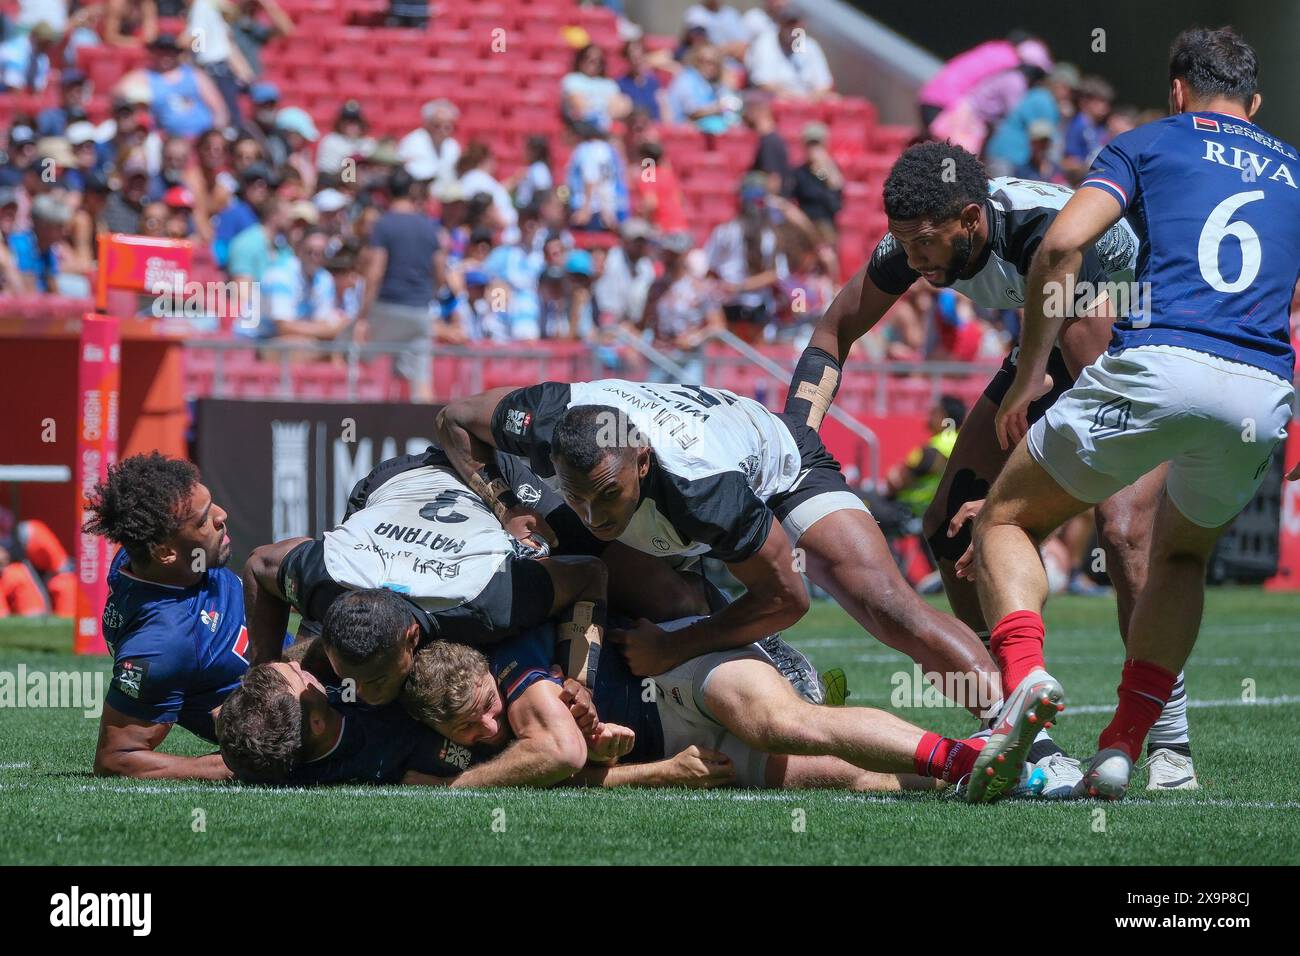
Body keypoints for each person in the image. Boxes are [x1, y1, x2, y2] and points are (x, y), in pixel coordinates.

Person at [974, 27, 1300, 800]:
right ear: (1254, 104)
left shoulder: (1148, 141)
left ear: (1179, 91)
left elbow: (1061, 245)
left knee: (1007, 520)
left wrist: (1027, 376)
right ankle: (1126, 745)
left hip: (1161, 363)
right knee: (1181, 558)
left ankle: (1024, 678)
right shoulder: (1295, 169)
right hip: (1257, 391)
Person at [433, 379, 1021, 761]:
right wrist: (506, 506)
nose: (593, 515)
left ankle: (1026, 735)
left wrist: (678, 648)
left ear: (641, 463)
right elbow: (454, 417)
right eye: (576, 494)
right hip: (671, 476)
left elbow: (790, 597)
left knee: (886, 604)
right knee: (632, 574)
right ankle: (770, 658)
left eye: (606, 496)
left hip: (776, 462)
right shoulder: (544, 422)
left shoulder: (702, 488)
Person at [404, 611, 1041, 798]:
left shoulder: (514, 661)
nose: (491, 726)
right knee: (849, 778)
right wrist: (657, 772)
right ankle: (1018, 778)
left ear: (493, 675)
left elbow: (559, 755)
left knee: (786, 724)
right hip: (688, 745)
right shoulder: (469, 738)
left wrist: (454, 786)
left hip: (684, 675)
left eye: (489, 706)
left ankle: (960, 756)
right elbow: (569, 776)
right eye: (471, 726)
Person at [81, 454, 251, 780]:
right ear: (165, 552)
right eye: (203, 519)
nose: (221, 515)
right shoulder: (163, 644)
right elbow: (116, 759)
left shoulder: (149, 557)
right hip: (305, 720)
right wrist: (224, 767)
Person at [217, 660, 487, 785]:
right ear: (317, 724)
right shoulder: (402, 735)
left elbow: (227, 762)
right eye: (300, 677)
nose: (300, 664)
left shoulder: (273, 753)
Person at [355, 168, 443, 400]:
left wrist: (363, 317)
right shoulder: (428, 226)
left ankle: (359, 425)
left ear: (386, 193)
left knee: (355, 357)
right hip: (419, 311)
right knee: (421, 380)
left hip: (387, 307)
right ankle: (426, 433)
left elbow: (375, 273)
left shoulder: (384, 225)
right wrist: (428, 294)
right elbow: (440, 272)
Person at [115, 33, 228, 138]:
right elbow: (117, 93)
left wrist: (215, 135)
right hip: (168, 139)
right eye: (161, 51)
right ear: (154, 53)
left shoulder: (195, 75)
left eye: (170, 51)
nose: (166, 56)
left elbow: (219, 109)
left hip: (202, 138)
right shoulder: (145, 76)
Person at [887, 397, 966, 521]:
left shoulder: (935, 448)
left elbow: (898, 481)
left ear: (946, 419)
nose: (929, 415)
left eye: (934, 412)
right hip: (940, 512)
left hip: (911, 509)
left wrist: (893, 475)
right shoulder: (960, 443)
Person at [744, 9, 832, 100]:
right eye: (789, 23)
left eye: (796, 23)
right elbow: (762, 83)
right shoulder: (765, 42)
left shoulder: (811, 46)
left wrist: (809, 100)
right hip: (774, 101)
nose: (793, 28)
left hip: (809, 102)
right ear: (780, 23)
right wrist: (795, 99)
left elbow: (824, 84)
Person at [666, 44, 741, 135]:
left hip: (702, 129)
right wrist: (719, 108)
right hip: (681, 131)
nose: (708, 66)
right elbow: (692, 112)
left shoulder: (710, 82)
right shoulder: (687, 79)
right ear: (695, 61)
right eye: (703, 61)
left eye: (713, 62)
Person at [561, 43, 631, 134]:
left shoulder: (609, 83)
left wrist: (594, 107)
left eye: (597, 60)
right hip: (581, 129)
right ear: (580, 59)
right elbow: (581, 108)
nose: (593, 62)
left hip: (607, 131)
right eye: (588, 58)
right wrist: (606, 108)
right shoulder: (572, 80)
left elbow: (623, 108)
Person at [397, 99, 461, 193]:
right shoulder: (413, 142)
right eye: (437, 125)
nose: (442, 130)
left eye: (447, 126)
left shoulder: (453, 146)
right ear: (427, 123)